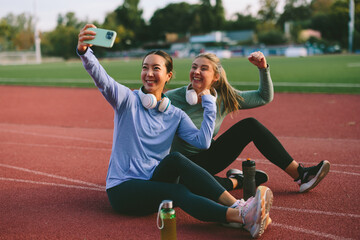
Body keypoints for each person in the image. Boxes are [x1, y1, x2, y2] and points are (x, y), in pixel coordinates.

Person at [77, 24, 273, 238]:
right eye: (145, 67)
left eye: (156, 68)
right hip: (124, 189)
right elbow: (102, 79)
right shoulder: (127, 100)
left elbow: (203, 143)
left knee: (176, 160)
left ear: (168, 76)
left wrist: (209, 104)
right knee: (178, 192)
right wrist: (85, 52)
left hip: (152, 180)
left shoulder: (175, 114)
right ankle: (242, 216)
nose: (149, 73)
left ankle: (238, 206)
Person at [166, 52, 330, 194]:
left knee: (250, 125)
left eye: (203, 68)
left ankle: (301, 175)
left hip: (207, 159)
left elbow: (263, 97)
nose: (196, 71)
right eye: (194, 67)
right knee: (183, 184)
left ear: (216, 77)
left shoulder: (223, 98)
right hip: (180, 162)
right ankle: (238, 181)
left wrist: (263, 69)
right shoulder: (173, 97)